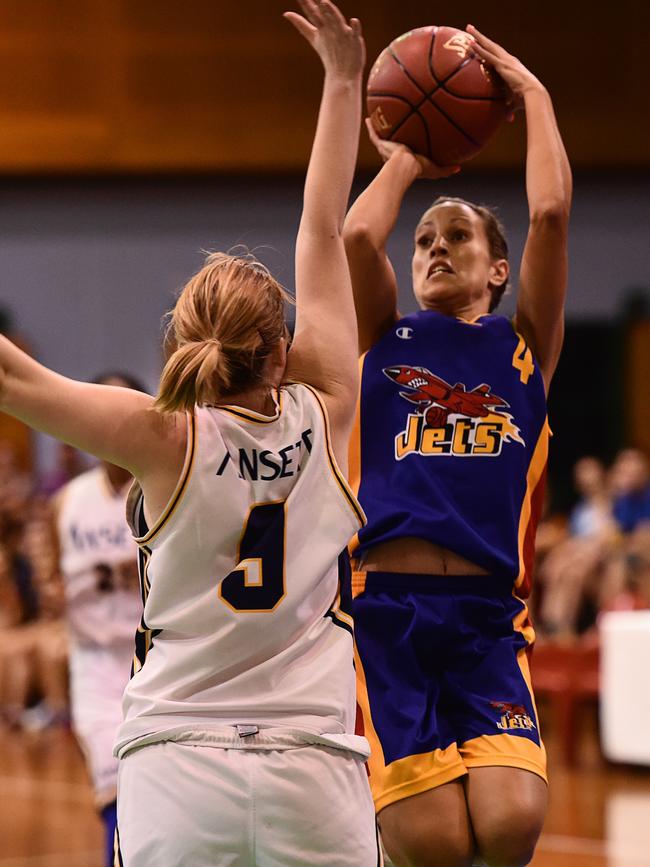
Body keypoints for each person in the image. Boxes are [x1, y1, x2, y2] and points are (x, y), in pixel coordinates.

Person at [0, 3, 380, 865]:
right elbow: (322, 228)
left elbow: (13, 376)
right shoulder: (332, 407)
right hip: (313, 770)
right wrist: (343, 79)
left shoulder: (161, 437)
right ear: (281, 350)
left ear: (184, 346)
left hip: (179, 769)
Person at [343, 25, 571, 867]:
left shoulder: (523, 351)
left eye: (459, 237)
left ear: (498, 270)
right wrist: (408, 157)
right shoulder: (384, 335)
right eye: (427, 239)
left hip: (485, 620)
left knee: (511, 824)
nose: (436, 245)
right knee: (435, 843)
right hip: (386, 615)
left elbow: (549, 210)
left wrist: (535, 96)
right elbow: (359, 240)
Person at [49, 372, 144, 867]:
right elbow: (46, 583)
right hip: (93, 658)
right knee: (110, 781)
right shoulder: (65, 502)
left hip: (154, 655)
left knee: (152, 785)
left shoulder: (160, 486)